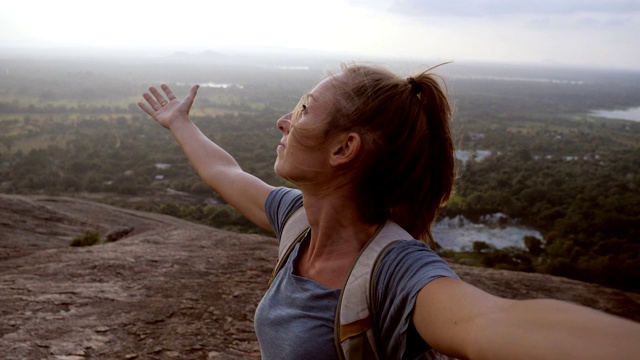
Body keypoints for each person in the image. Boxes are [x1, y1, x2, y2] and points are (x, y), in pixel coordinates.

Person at [138, 63, 640, 359]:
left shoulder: (396, 273)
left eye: (304, 110)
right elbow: (225, 174)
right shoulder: (296, 221)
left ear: (344, 149)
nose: (283, 121)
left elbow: (496, 321)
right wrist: (180, 124)